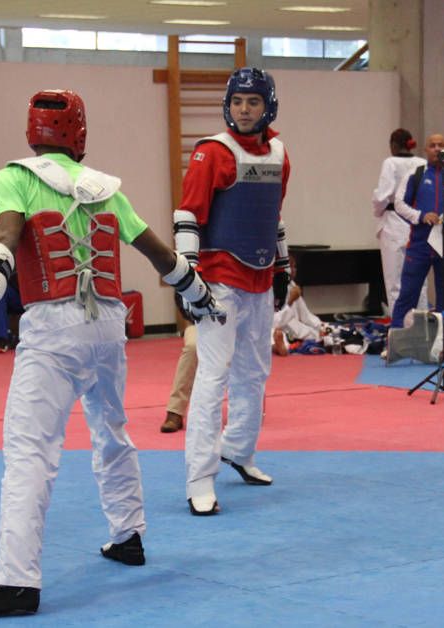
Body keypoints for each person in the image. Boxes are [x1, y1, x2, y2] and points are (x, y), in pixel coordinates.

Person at [0, 89, 225, 619]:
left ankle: (17, 580)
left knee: (30, 452)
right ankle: (129, 535)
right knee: (111, 429)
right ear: (79, 133)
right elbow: (160, 253)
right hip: (109, 328)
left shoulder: (16, 177)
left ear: (34, 130)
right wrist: (199, 296)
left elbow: (2, 242)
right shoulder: (104, 189)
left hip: (53, 327)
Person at [173, 67, 291, 516]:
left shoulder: (280, 153)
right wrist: (187, 279)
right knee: (212, 376)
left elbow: (275, 214)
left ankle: (239, 448)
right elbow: (188, 215)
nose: (244, 110)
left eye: (253, 102)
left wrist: (283, 266)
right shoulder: (212, 153)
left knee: (256, 372)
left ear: (268, 106)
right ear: (228, 104)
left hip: (260, 278)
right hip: (219, 279)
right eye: (238, 101)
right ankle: (199, 477)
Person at [391, 134, 444, 330]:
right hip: (419, 246)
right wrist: (421, 216)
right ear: (425, 150)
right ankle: (396, 336)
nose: (437, 149)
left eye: (441, 145)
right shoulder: (416, 174)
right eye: (432, 145)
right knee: (408, 294)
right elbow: (399, 203)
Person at [372, 128, 428, 318]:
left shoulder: (390, 163)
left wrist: (377, 210)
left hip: (394, 223)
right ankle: (422, 325)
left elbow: (383, 195)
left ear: (394, 145)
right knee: (419, 279)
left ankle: (400, 326)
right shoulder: (423, 163)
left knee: (395, 280)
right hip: (418, 223)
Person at [271, 254, 325, 356]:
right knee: (271, 333)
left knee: (317, 334)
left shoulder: (292, 285)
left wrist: (320, 326)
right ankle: (278, 347)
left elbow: (305, 315)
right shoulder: (272, 288)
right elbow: (274, 321)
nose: (294, 270)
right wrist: (290, 302)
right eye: (291, 267)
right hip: (275, 326)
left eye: (295, 267)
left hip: (291, 326)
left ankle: (287, 345)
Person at [159, 322, 196, 433]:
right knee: (193, 347)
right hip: (201, 322)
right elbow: (182, 306)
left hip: (238, 321)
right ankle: (175, 411)